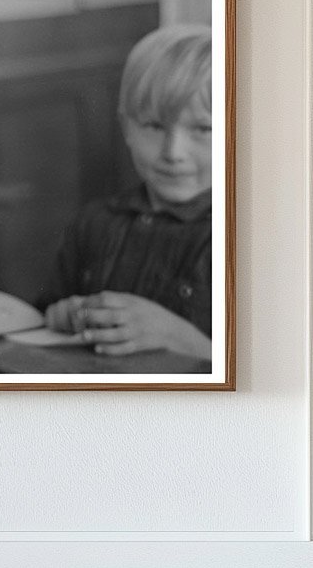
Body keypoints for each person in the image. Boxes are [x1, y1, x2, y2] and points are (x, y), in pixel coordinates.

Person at [43, 24, 213, 361]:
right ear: (126, 128)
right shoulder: (94, 223)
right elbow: (49, 313)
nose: (173, 151)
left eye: (203, 129)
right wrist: (65, 315)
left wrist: (178, 336)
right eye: (154, 125)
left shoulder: (251, 240)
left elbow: (268, 376)